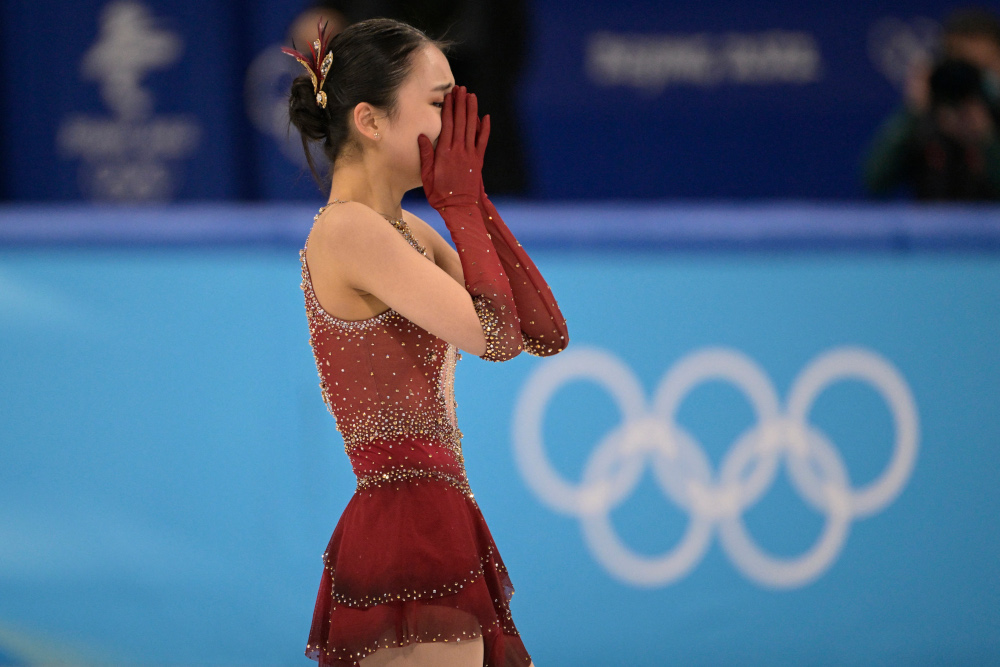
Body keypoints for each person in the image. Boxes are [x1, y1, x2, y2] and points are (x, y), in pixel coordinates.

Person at [284, 18, 568, 667]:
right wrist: (463, 212)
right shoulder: (348, 232)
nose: (454, 123)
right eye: (440, 103)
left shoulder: (405, 229)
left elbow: (544, 333)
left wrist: (473, 201)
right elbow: (495, 338)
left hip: (430, 513)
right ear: (371, 120)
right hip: (409, 522)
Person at [287, 0, 531, 195]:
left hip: (484, 91)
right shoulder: (357, 228)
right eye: (438, 104)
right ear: (369, 121)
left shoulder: (416, 227)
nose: (448, 122)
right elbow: (319, 21)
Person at [864, 7, 1000, 199]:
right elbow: (874, 181)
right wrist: (913, 112)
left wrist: (986, 139)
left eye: (981, 68)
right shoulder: (924, 117)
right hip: (933, 228)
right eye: (961, 65)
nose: (969, 78)